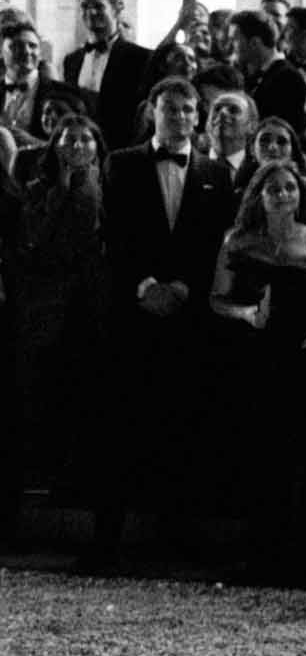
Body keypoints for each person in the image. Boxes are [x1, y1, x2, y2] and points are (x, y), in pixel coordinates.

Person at [84, 76, 239, 568]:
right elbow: (112, 233)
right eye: (169, 109)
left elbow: (214, 243)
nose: (179, 117)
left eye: (188, 109)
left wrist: (185, 290)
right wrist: (146, 286)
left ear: (198, 115)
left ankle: (176, 537)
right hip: (134, 313)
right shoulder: (122, 164)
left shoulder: (217, 172)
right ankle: (106, 541)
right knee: (120, 427)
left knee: (183, 426)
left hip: (190, 317)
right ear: (153, 111)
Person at [209, 160, 306, 584]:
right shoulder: (236, 240)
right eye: (273, 188)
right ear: (258, 194)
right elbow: (216, 299)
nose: (282, 195)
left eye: (290, 188)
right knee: (264, 456)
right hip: (259, 358)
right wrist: (247, 314)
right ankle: (265, 555)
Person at [0, 114, 108, 522]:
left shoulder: (107, 183)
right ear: (56, 144)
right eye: (70, 138)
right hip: (46, 302)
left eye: (86, 139)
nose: (78, 145)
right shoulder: (36, 184)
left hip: (93, 300)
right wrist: (61, 187)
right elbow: (35, 236)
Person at [62, 0, 154, 147]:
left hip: (123, 148)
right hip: (80, 147)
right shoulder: (71, 60)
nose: (91, 12)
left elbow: (144, 114)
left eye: (98, 6)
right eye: (84, 7)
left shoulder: (140, 57)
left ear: (115, 10)